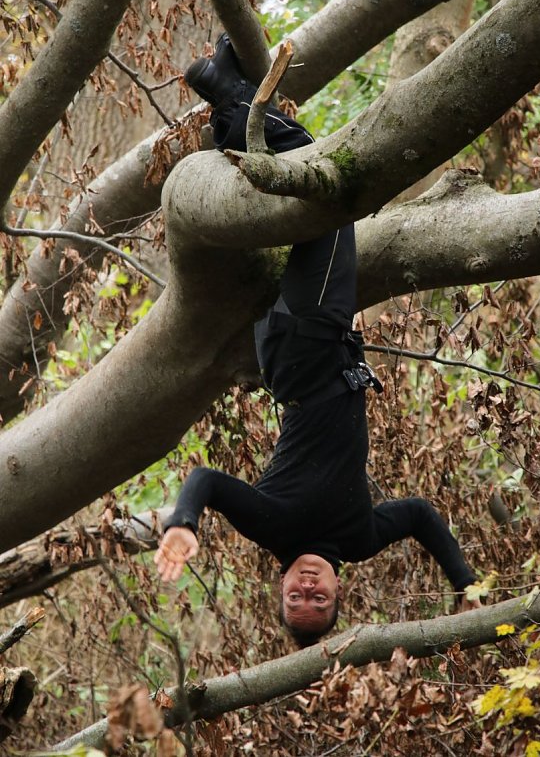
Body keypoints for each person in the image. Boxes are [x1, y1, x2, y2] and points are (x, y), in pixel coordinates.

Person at [154, 35, 478, 646]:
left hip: (304, 346)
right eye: (317, 600)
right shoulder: (358, 539)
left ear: (280, 587)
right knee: (317, 190)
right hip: (321, 346)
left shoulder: (274, 528)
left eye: (295, 598)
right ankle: (228, 92)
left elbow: (207, 480)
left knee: (327, 190)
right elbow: (418, 517)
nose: (307, 587)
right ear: (337, 594)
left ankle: (225, 93)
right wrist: (465, 585)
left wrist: (184, 522)